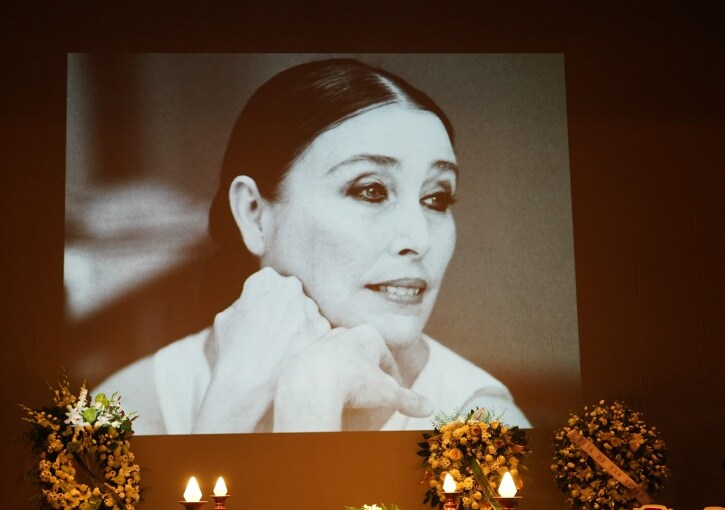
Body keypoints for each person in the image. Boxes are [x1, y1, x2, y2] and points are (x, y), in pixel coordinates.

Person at [96, 58, 530, 434]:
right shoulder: (122, 413)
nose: (418, 240)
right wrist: (232, 400)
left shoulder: (482, 425)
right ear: (253, 212)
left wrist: (311, 392)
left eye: (437, 199)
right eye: (371, 191)